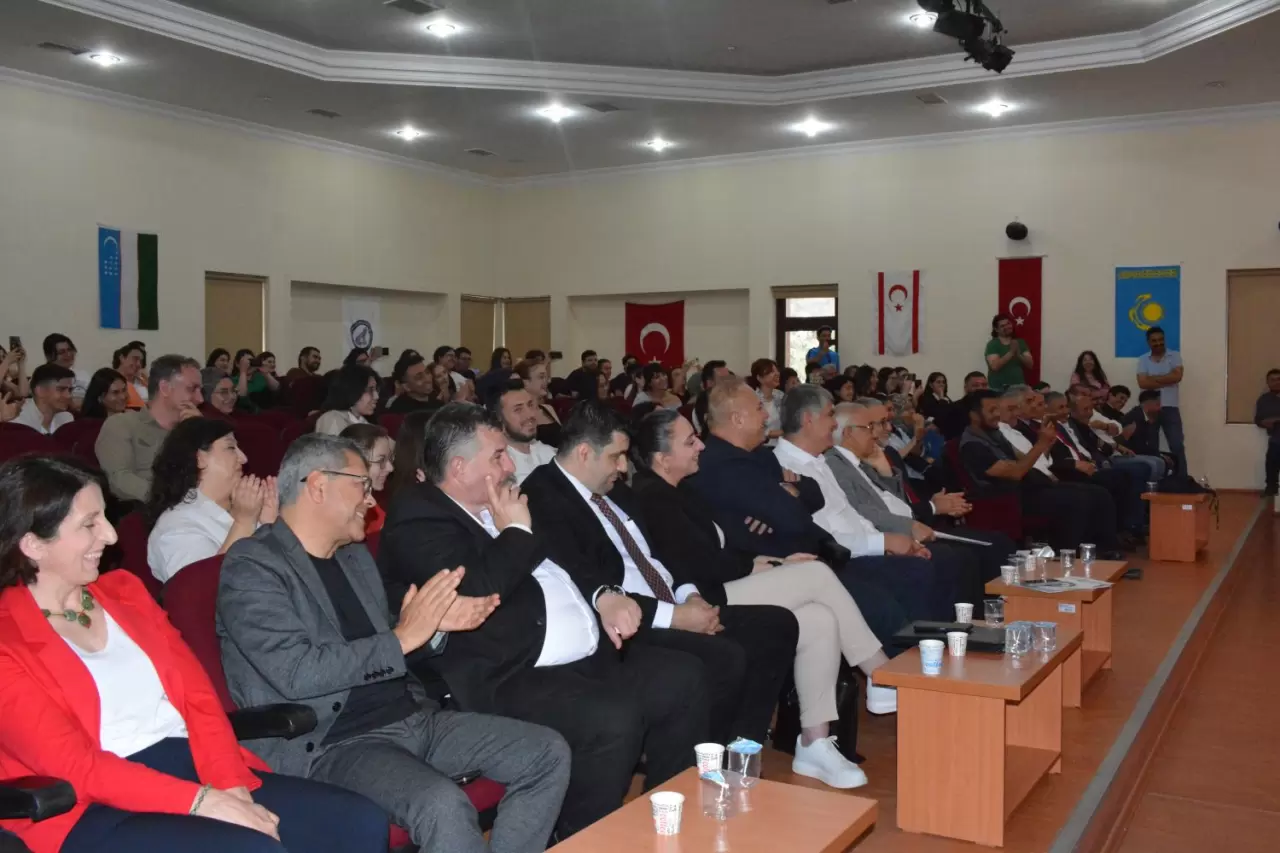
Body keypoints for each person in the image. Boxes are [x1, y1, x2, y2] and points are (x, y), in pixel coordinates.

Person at [0, 455, 390, 853]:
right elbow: (77, 767)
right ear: (33, 544)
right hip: (90, 804)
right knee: (253, 848)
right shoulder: (6, 642)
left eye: (105, 517)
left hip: (190, 761)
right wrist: (203, 802)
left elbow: (197, 697)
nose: (111, 536)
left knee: (358, 822)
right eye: (90, 524)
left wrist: (229, 785)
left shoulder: (124, 592)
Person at [217, 435, 571, 852]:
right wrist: (403, 636)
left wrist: (434, 628)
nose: (371, 500)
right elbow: (296, 672)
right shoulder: (252, 566)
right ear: (318, 486)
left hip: (411, 717)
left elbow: (388, 647)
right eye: (362, 485)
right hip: (334, 743)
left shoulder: (353, 557)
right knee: (442, 805)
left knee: (546, 752)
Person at [376, 405, 708, 838]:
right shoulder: (420, 515)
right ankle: (578, 838)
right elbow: (477, 591)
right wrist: (515, 531)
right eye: (498, 456)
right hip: (507, 672)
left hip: (580, 656)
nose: (510, 466)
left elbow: (565, 563)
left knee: (683, 677)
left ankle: (662, 821)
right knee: (613, 719)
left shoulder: (502, 503)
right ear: (459, 468)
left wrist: (603, 595)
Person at [631, 408, 893, 789]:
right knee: (817, 575)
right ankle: (882, 677)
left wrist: (768, 561)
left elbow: (726, 543)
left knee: (818, 618)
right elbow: (695, 563)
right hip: (700, 598)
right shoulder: (653, 498)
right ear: (662, 458)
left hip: (723, 580)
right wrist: (758, 565)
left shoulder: (682, 488)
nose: (701, 445)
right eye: (689, 442)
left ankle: (814, 743)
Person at [521, 403, 799, 749]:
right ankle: (706, 760)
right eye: (616, 457)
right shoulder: (542, 498)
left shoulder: (613, 489)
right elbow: (589, 585)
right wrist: (676, 616)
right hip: (627, 620)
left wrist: (689, 595)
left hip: (668, 601)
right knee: (724, 656)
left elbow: (662, 554)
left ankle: (740, 750)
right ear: (584, 453)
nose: (624, 468)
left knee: (777, 626)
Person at [686, 377, 935, 644]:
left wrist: (785, 497)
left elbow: (814, 495)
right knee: (883, 607)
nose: (767, 416)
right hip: (773, 568)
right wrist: (786, 498)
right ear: (737, 419)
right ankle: (906, 667)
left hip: (815, 557)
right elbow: (793, 520)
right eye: (759, 408)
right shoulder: (721, 465)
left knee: (911, 580)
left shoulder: (761, 456)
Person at [827, 400, 1005, 606]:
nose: (876, 433)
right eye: (869, 427)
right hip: (884, 535)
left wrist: (886, 472)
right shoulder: (836, 463)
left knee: (987, 546)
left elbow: (897, 503)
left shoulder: (864, 460)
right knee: (954, 558)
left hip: (903, 526)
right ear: (848, 433)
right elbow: (862, 510)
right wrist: (910, 525)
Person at [959, 391, 1121, 555]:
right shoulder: (972, 445)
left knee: (1099, 494)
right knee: (1077, 499)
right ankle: (1066, 556)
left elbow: (1022, 459)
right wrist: (1041, 443)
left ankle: (1104, 551)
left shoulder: (994, 434)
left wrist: (1045, 445)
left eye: (997, 409)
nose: (997, 415)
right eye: (992, 410)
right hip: (1009, 498)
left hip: (1030, 487)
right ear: (974, 415)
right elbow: (1016, 472)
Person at [145, 419, 277, 584]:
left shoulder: (240, 508)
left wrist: (269, 525)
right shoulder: (176, 529)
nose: (243, 458)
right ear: (200, 459)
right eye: (231, 448)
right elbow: (203, 589)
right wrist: (244, 523)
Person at [96, 355, 203, 504]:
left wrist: (201, 431)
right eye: (192, 389)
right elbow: (119, 480)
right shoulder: (123, 425)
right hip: (147, 509)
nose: (200, 399)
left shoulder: (194, 429)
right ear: (165, 388)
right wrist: (173, 500)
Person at [1043, 391, 1145, 545]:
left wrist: (1113, 448)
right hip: (1069, 470)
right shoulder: (1046, 429)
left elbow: (1094, 443)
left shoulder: (1070, 424)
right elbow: (1052, 459)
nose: (1065, 411)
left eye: (1066, 407)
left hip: (1090, 462)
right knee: (1113, 481)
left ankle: (1127, 529)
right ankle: (1112, 538)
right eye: (1060, 408)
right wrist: (1077, 464)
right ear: (1047, 409)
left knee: (1125, 476)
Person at [1136, 326, 1186, 476]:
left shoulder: (1174, 356)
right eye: (1154, 341)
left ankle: (1182, 479)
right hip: (1149, 410)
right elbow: (1142, 383)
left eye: (1161, 340)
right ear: (1149, 342)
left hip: (1170, 407)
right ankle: (1155, 480)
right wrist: (1167, 378)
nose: (1158, 343)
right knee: (1151, 446)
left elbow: (1177, 377)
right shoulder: (1143, 359)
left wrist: (1153, 379)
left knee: (1177, 445)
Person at [491, 384, 557, 485]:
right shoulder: (498, 467)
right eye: (518, 410)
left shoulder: (550, 453)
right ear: (498, 418)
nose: (530, 414)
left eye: (530, 405)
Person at [339, 423, 394, 536]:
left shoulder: (376, 502)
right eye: (381, 461)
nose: (390, 468)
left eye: (390, 459)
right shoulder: (345, 515)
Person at [10, 365, 74, 435]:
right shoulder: (17, 420)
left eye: (70, 390)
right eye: (61, 389)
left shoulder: (66, 419)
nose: (68, 396)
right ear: (40, 391)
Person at [315, 364, 377, 436]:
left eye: (376, 389)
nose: (376, 396)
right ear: (352, 390)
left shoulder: (363, 421)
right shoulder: (332, 419)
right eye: (370, 390)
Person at [514, 359, 561, 448]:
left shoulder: (548, 409)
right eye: (541, 377)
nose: (548, 381)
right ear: (525, 382)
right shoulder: (519, 415)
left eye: (546, 377)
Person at [985, 312, 1033, 391]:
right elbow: (994, 366)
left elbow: (1030, 364)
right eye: (1002, 326)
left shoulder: (1020, 342)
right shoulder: (992, 344)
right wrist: (1011, 352)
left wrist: (1018, 354)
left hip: (1019, 388)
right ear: (996, 329)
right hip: (998, 389)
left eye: (1008, 324)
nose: (1007, 327)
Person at [41, 334, 91, 407]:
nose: (68, 354)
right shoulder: (43, 378)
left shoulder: (83, 375)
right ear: (49, 356)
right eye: (62, 352)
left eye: (70, 350)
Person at [937, 371, 989, 440]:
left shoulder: (992, 409)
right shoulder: (953, 409)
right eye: (975, 385)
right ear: (966, 388)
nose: (981, 388)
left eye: (984, 385)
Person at [1255, 369, 1280, 496]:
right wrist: (1269, 422)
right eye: (1273, 380)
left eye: (1279, 379)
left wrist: (1275, 419)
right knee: (1271, 463)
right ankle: (1271, 488)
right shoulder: (1264, 400)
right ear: (1268, 382)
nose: (1276, 382)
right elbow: (1259, 420)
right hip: (1276, 438)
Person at [750, 358, 785, 444]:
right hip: (762, 446)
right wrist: (783, 433)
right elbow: (753, 428)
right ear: (759, 378)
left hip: (781, 445)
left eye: (777, 371)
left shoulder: (780, 395)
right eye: (772, 372)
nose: (777, 374)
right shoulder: (753, 399)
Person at [113, 344, 148, 410]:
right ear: (122, 358)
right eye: (135, 359)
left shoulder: (144, 380)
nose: (138, 364)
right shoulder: (110, 380)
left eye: (141, 361)